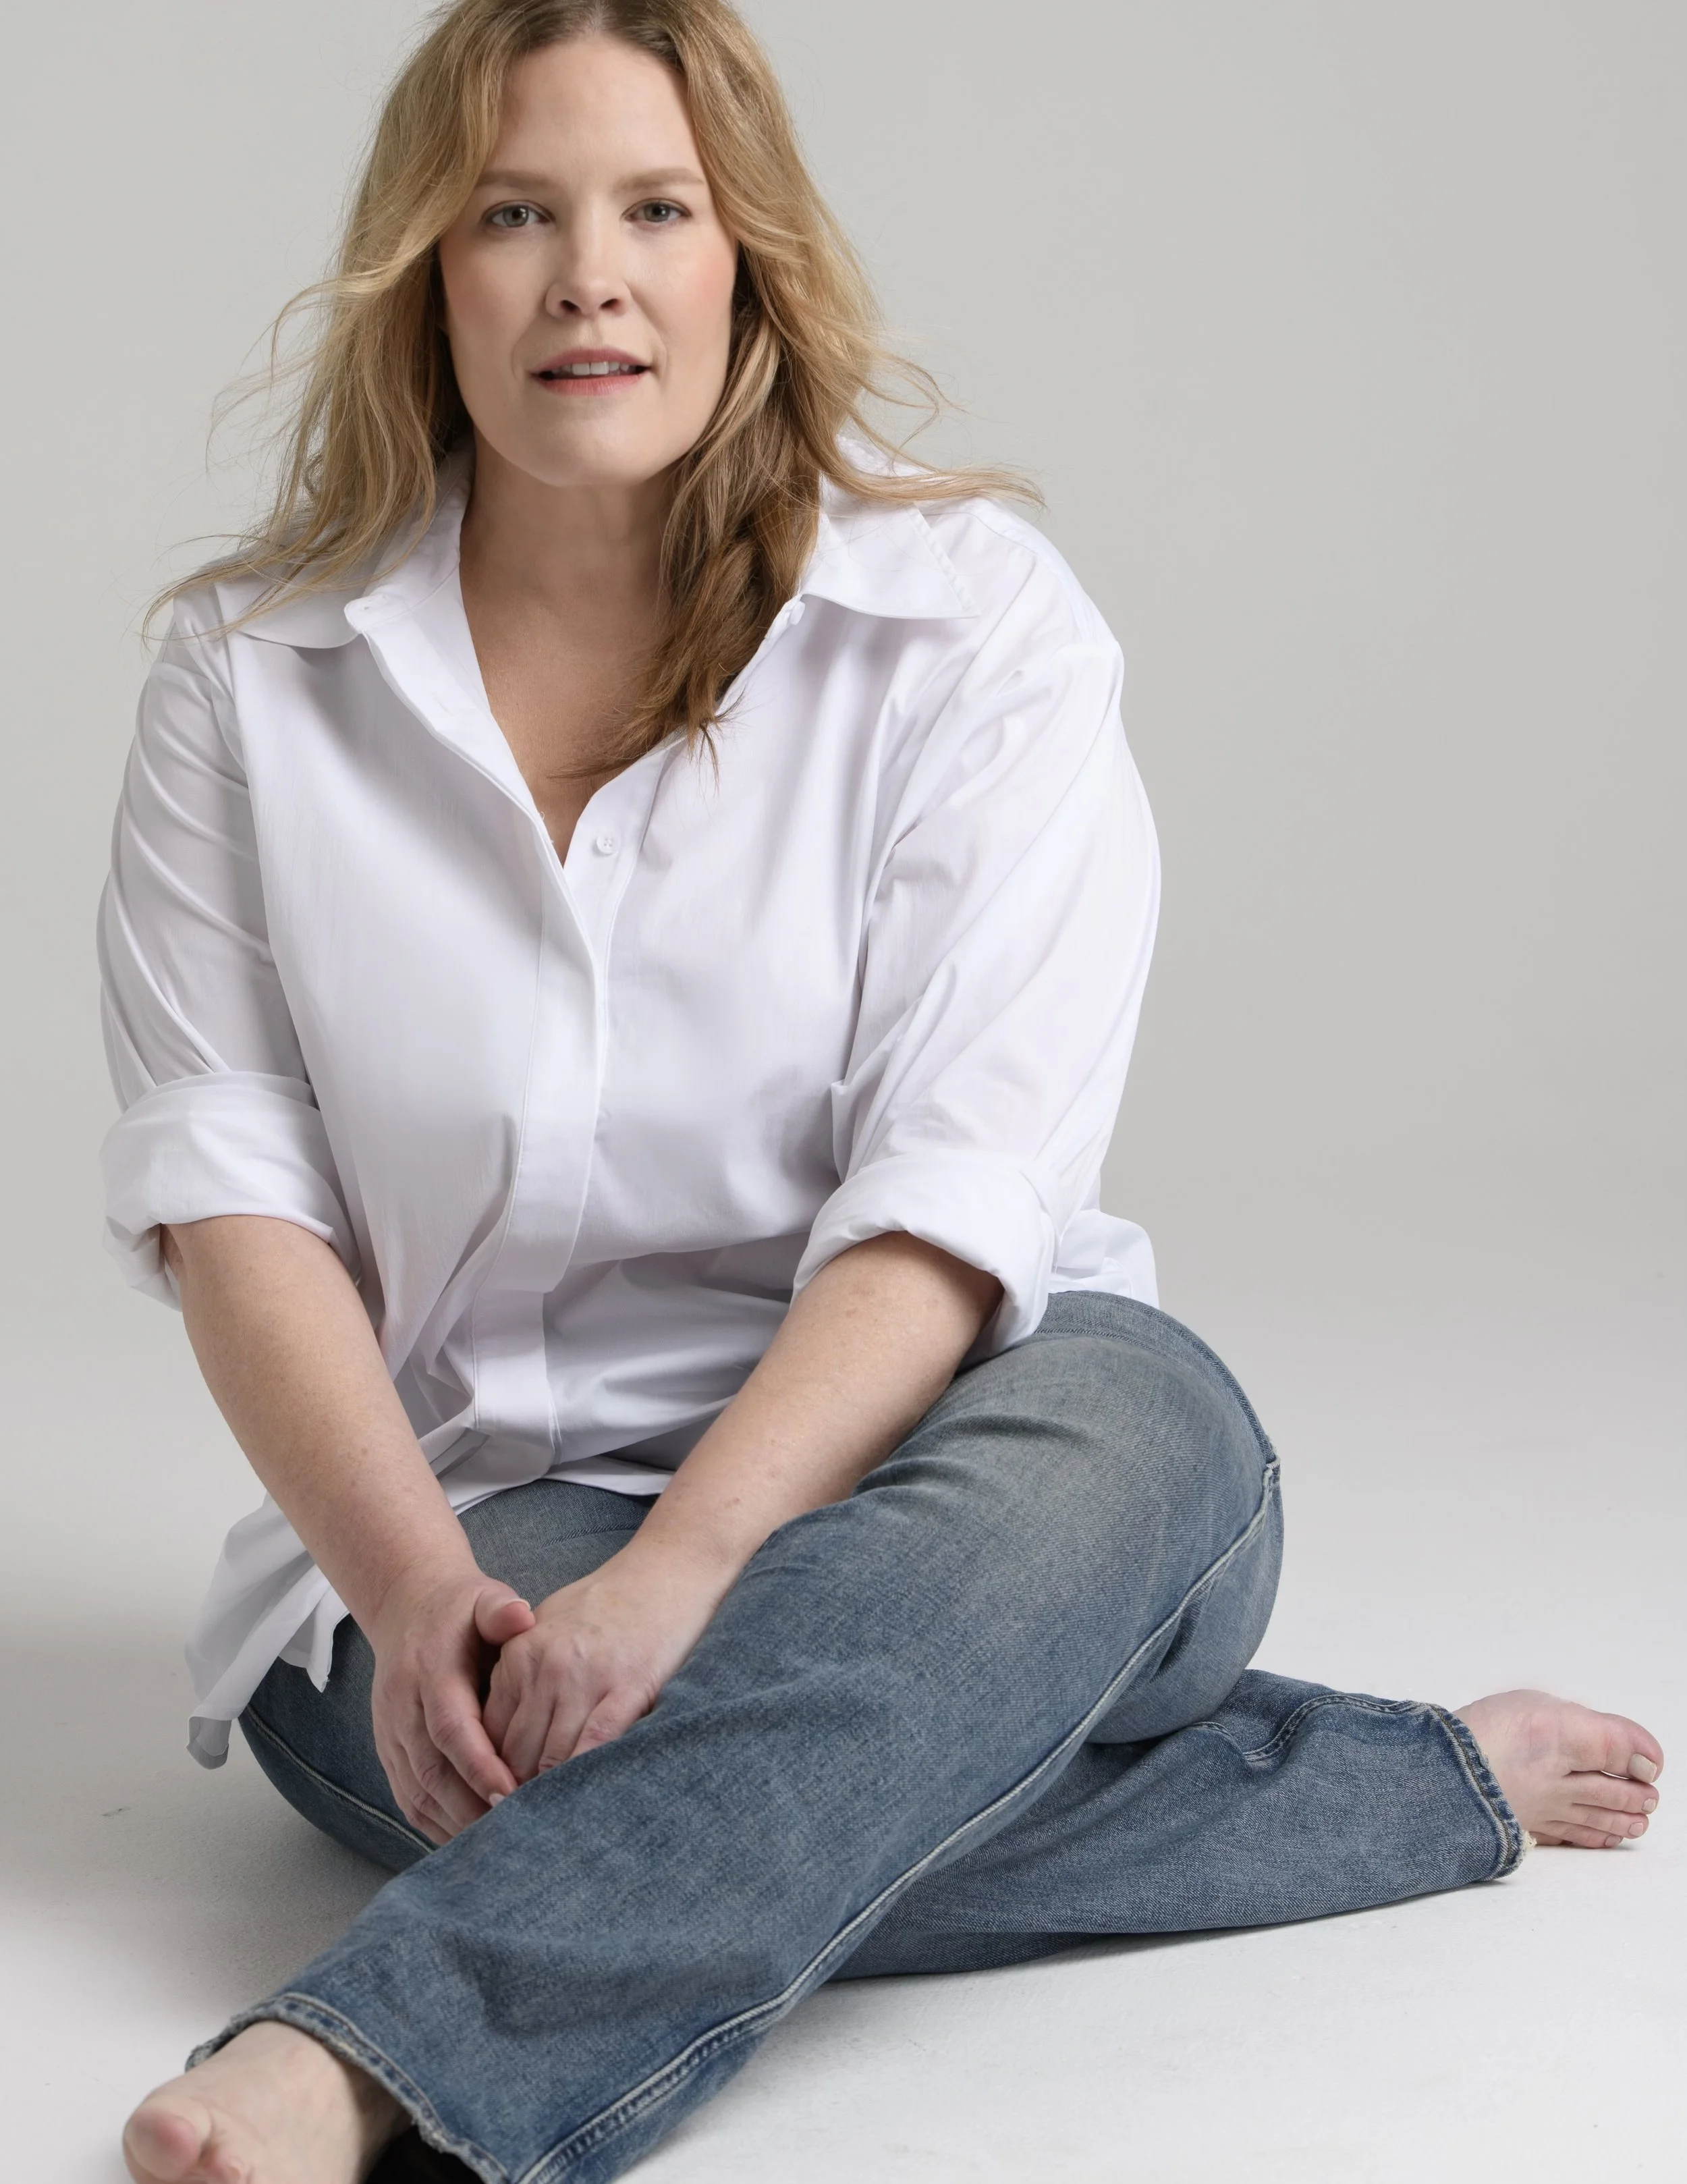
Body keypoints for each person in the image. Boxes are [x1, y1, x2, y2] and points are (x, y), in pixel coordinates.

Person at [103, 4, 1662, 2180]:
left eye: (655, 209)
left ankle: (372, 2059)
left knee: (1145, 1423)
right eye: (513, 216)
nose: (588, 278)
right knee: (762, 1736)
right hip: (478, 1521)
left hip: (981, 1465)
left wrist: (699, 1572)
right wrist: (394, 1588)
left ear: (745, 256)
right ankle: (1382, 1787)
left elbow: (960, 1185)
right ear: (422, 274)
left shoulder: (969, 632)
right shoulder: (252, 681)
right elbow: (233, 1203)